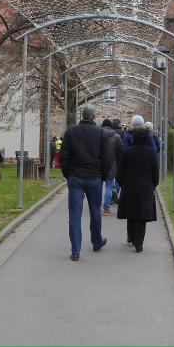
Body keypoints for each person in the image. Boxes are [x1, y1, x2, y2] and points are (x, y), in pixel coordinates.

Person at [59, 105, 111, 261]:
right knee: (95, 211)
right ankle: (96, 241)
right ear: (94, 116)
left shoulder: (71, 132)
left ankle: (75, 250)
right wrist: (103, 175)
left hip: (76, 176)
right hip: (94, 177)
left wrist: (68, 175)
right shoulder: (101, 133)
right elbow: (107, 158)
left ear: (82, 116)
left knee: (75, 214)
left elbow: (64, 156)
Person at [115, 126, 160, 253]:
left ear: (134, 138)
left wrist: (122, 184)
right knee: (141, 216)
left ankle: (131, 236)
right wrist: (153, 185)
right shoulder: (151, 153)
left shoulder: (126, 152)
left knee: (131, 213)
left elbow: (120, 173)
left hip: (129, 187)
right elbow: (155, 174)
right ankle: (139, 242)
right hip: (146, 188)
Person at [100, 119, 122, 216]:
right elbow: (120, 152)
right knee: (109, 187)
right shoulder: (116, 137)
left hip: (99, 165)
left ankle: (97, 207)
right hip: (112, 165)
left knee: (98, 187)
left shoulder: (97, 135)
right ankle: (106, 208)